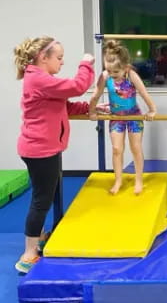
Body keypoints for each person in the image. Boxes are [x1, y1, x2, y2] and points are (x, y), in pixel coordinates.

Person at [13, 36, 103, 273]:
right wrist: (86, 64)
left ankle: (40, 235)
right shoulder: (38, 79)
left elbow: (64, 104)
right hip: (40, 150)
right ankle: (29, 251)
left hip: (45, 148)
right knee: (41, 200)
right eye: (59, 58)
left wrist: (91, 108)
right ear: (44, 57)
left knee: (49, 194)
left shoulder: (43, 80)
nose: (62, 62)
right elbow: (76, 87)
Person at [89, 40, 157, 194]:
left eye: (116, 72)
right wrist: (92, 111)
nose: (112, 75)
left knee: (136, 147)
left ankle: (138, 180)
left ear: (125, 67)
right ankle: (118, 180)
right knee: (116, 149)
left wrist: (152, 110)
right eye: (109, 70)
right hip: (116, 117)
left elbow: (144, 93)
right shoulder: (105, 76)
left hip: (134, 116)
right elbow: (95, 95)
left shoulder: (131, 74)